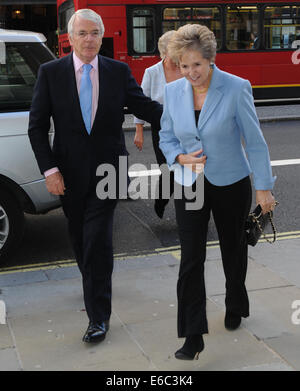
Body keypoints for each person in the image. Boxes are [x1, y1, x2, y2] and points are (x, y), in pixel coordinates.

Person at [28, 9, 162, 343]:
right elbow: (37, 127)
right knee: (79, 238)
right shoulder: (51, 73)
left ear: (102, 37)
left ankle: (98, 317)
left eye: (95, 33)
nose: (89, 39)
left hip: (109, 171)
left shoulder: (117, 71)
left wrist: (192, 111)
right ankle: (91, 281)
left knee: (98, 242)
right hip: (68, 174)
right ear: (70, 38)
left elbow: (145, 108)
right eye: (82, 33)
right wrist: (50, 169)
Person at [159, 24, 276, 360]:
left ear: (210, 59)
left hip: (231, 182)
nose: (191, 72)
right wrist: (178, 156)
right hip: (189, 182)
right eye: (184, 65)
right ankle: (192, 335)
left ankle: (235, 302)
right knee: (191, 257)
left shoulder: (236, 88)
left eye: (197, 64)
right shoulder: (173, 92)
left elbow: (254, 142)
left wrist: (263, 188)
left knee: (233, 249)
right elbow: (165, 137)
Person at [133, 30, 182, 218]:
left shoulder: (186, 68)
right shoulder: (152, 72)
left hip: (185, 126)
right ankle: (161, 201)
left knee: (187, 169)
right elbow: (142, 102)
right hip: (161, 127)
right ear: (165, 51)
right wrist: (139, 130)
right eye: (175, 49)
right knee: (168, 169)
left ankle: (186, 211)